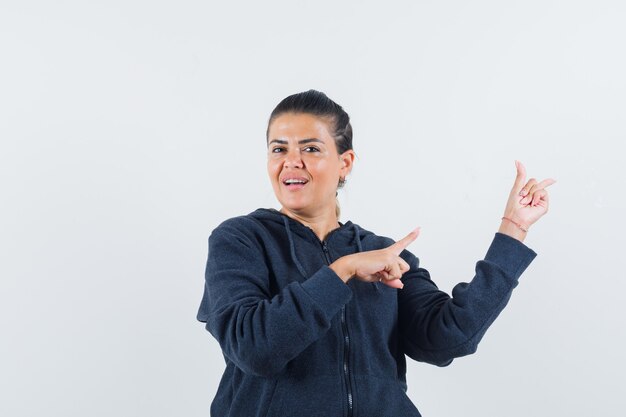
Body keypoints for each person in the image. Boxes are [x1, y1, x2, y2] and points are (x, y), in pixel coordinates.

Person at [196, 89, 556, 417]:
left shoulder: (381, 253)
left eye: (310, 148)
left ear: (345, 163)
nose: (291, 161)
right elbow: (254, 349)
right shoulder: (240, 240)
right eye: (279, 149)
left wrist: (514, 229)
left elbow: (450, 337)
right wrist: (343, 271)